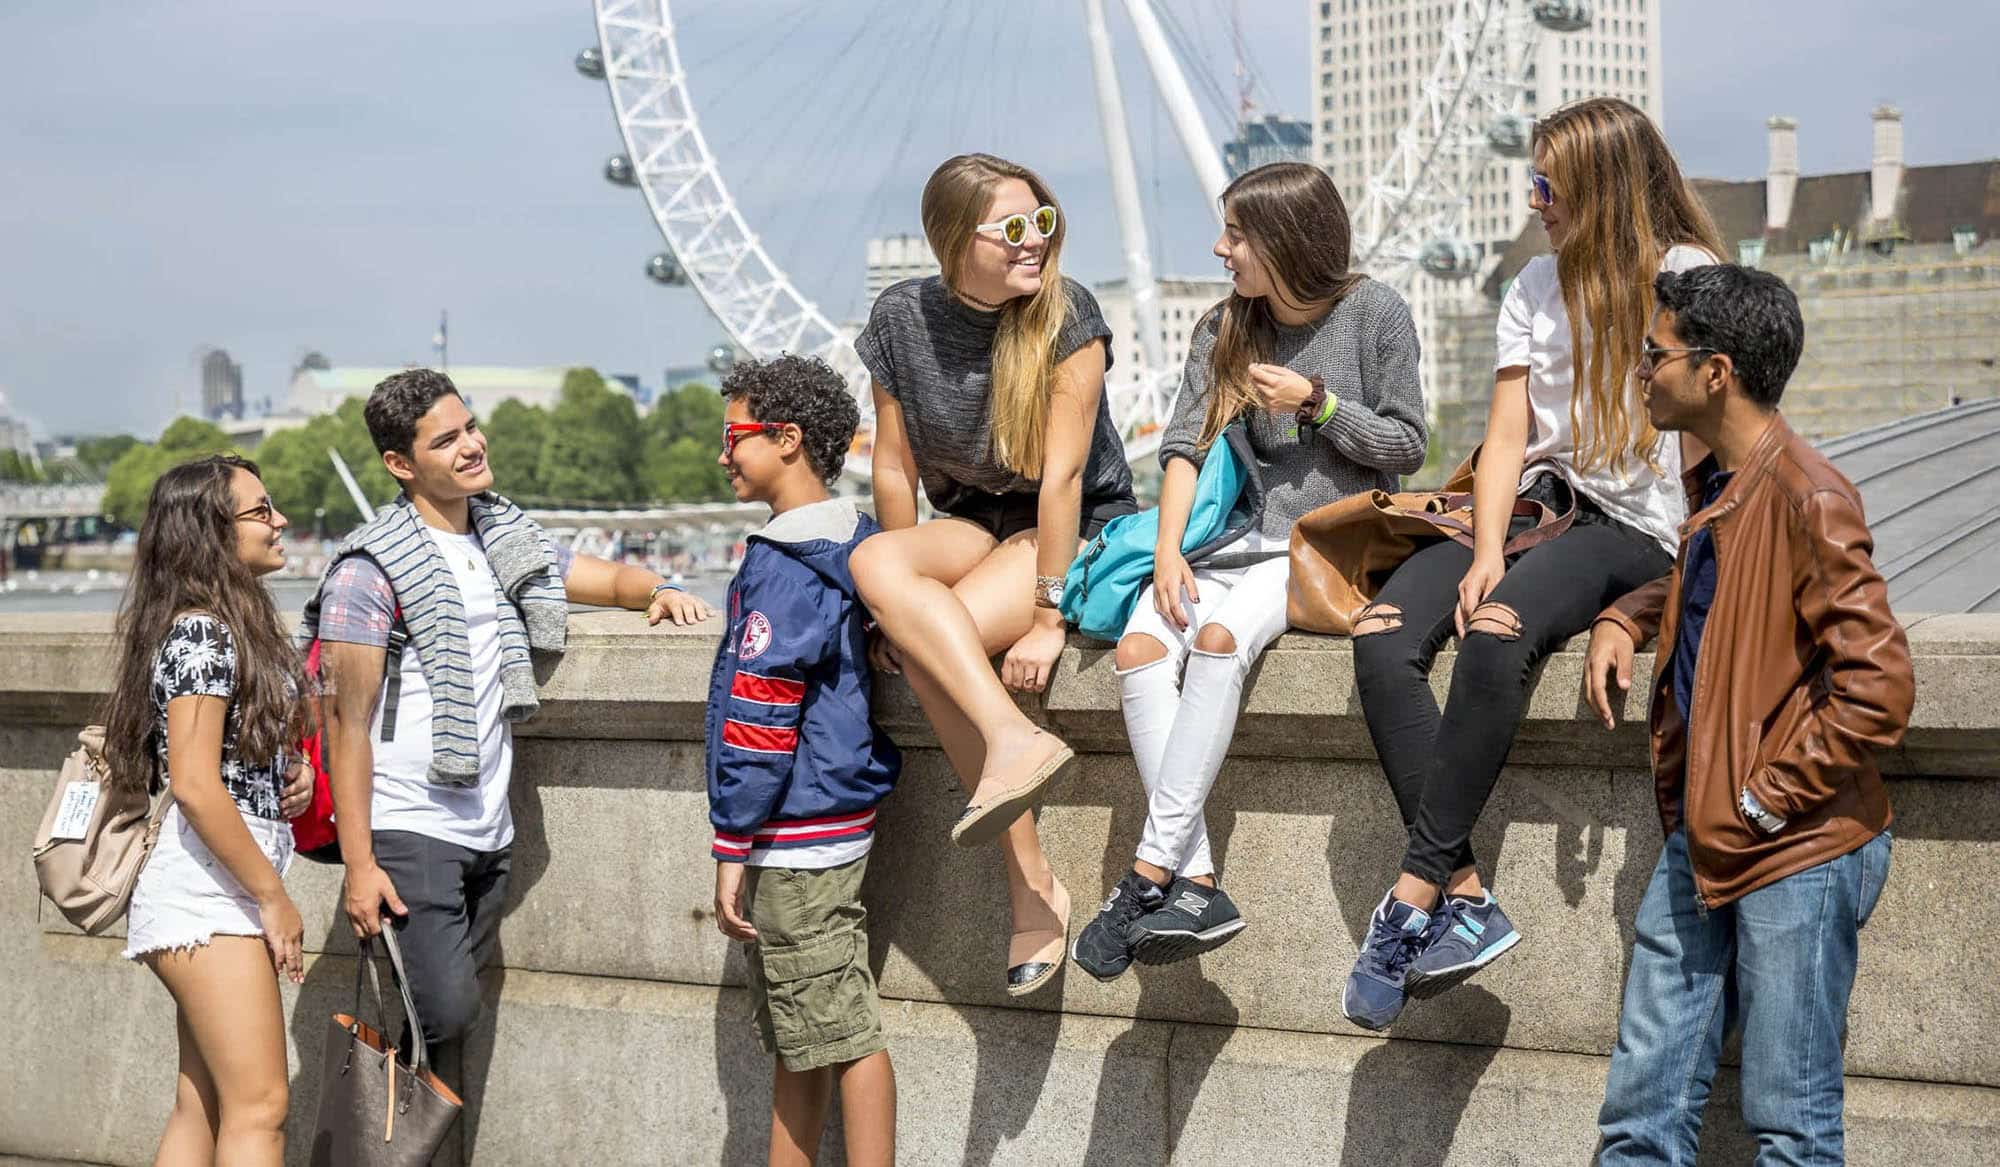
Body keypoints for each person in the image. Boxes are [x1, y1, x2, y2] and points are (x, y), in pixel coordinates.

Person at [1341, 96, 1728, 1031]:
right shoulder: (1533, 284)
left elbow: (1712, 446)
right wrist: (1479, 551)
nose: (1533, 200)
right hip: (1533, 507)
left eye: (1549, 183)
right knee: (1383, 633)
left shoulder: (1687, 274)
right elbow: (1509, 427)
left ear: (1600, 184)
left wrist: (1644, 602)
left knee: (1500, 633)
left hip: (1632, 523)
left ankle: (1411, 895)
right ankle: (1466, 891)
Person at [302, 370, 712, 1082]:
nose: (472, 444)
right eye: (447, 439)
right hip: (411, 821)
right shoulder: (366, 572)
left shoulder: (506, 538)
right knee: (448, 1008)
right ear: (401, 464)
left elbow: (600, 580)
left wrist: (661, 588)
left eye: (470, 426)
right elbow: (347, 725)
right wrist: (361, 865)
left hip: (489, 826)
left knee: (436, 1031)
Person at [1070, 162, 1427, 980]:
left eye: (1236, 234)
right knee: (1140, 650)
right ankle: (1196, 881)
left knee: (1222, 639)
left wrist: (1318, 403)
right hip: (1222, 543)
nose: (1220, 248)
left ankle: (1150, 874)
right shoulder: (1224, 326)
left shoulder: (1375, 313)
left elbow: (1406, 446)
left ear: (1286, 241)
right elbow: (1185, 445)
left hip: (1323, 546)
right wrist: (1165, 552)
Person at [1590, 265, 1911, 1162]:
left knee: (1791, 1123)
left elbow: (1879, 684)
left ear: (1716, 370)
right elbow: (1726, 592)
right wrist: (1628, 612)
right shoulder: (1727, 485)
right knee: (1639, 1115)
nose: (1641, 372)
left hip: (1797, 840)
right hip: (1709, 832)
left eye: (1655, 355)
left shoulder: (1810, 493)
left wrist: (1769, 797)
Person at [849, 153, 1139, 995]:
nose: (1033, 242)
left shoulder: (1065, 313)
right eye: (1011, 228)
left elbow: (1063, 481)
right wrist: (894, 609)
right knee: (874, 559)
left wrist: (1050, 619)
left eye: (1042, 221)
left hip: (1073, 525)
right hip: (970, 520)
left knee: (942, 650)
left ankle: (1032, 885)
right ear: (953, 241)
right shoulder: (900, 318)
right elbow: (894, 470)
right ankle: (1013, 741)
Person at [705, 355, 900, 1167]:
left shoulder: (784, 564)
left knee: (844, 1029)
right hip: (836, 811)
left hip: (797, 828)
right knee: (803, 1023)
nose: (723, 456)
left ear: (786, 440)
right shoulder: (854, 542)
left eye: (734, 438)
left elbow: (757, 711)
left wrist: (730, 839)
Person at [106, 454, 316, 1166]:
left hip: (215, 882)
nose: (279, 519)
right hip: (208, 892)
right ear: (211, 531)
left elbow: (228, 764)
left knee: (203, 1102)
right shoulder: (202, 632)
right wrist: (273, 895)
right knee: (261, 1106)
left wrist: (297, 776)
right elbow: (196, 784)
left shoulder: (225, 624)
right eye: (260, 511)